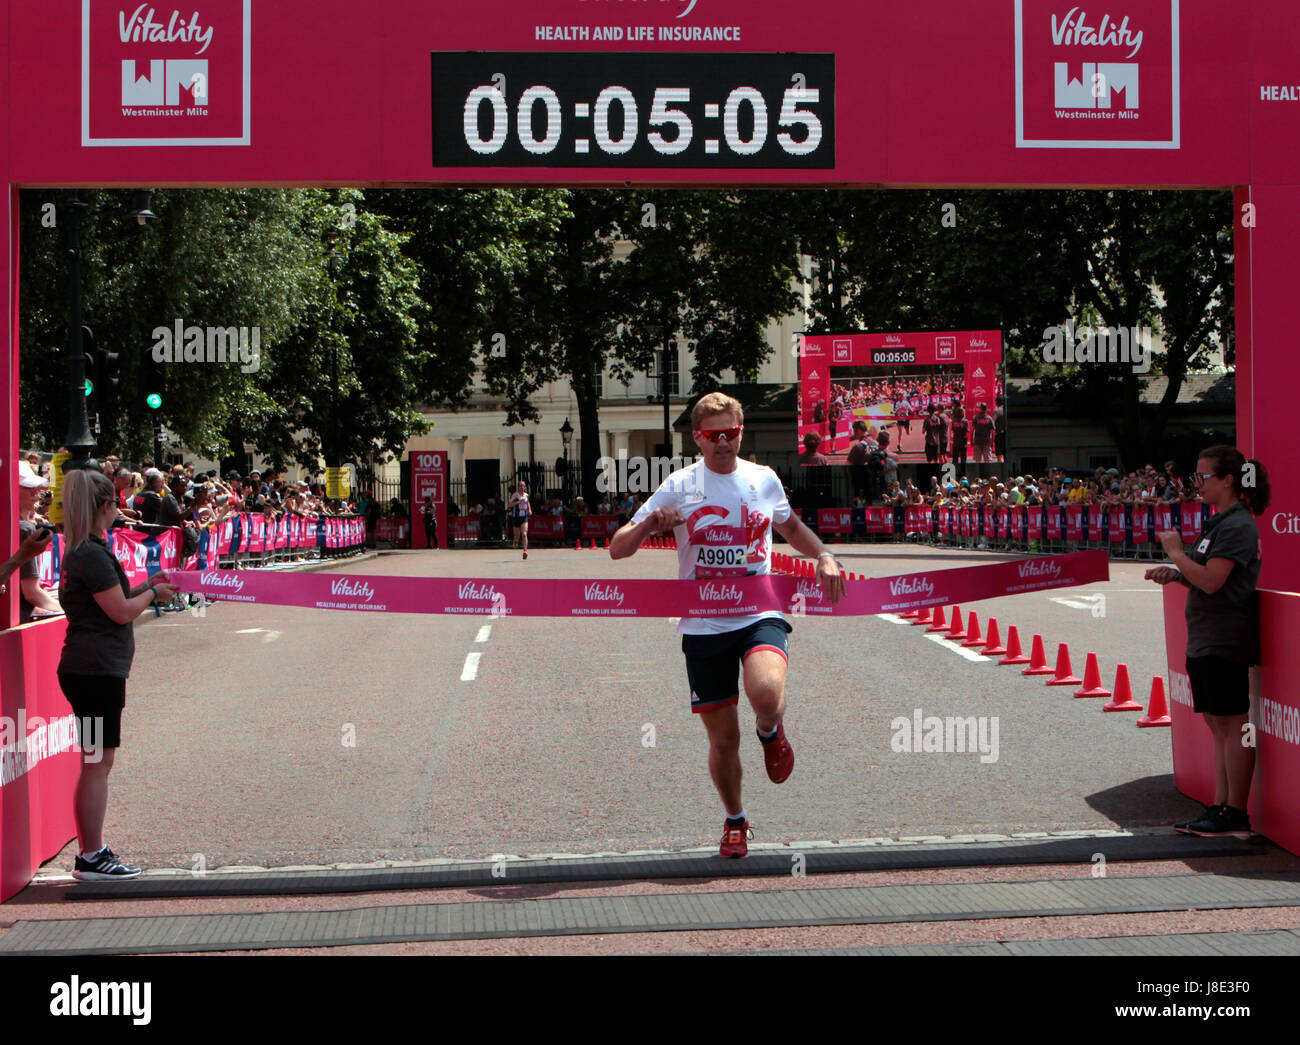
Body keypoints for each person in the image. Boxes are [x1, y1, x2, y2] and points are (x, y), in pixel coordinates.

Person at [610, 392, 845, 859]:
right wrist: (650, 524)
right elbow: (618, 548)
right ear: (697, 437)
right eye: (714, 436)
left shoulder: (763, 479)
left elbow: (792, 528)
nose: (724, 444)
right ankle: (735, 820)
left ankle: (771, 731)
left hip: (758, 611)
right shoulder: (678, 485)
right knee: (723, 740)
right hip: (702, 624)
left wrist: (825, 556)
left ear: (741, 432)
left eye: (731, 434)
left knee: (765, 695)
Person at [57, 469, 179, 879]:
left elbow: (116, 599)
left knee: (96, 761)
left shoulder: (86, 549)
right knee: (96, 763)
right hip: (94, 672)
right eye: (115, 505)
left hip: (92, 669)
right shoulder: (90, 553)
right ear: (106, 507)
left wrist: (149, 584)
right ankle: (91, 854)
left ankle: (91, 851)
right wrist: (153, 594)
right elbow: (121, 610)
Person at [1146, 445, 1270, 838]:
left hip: (1225, 637)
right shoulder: (1219, 523)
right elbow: (1205, 575)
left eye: (1203, 477)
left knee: (1232, 725)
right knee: (1219, 726)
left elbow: (1214, 581)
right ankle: (1219, 807)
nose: (1196, 484)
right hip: (1207, 637)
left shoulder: (1237, 525)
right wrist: (1177, 572)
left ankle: (1234, 811)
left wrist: (1176, 554)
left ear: (1228, 480)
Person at [18, 461, 63, 622]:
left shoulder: (22, 527)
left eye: (35, 487)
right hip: (20, 625)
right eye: (27, 487)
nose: (35, 492)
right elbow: (32, 593)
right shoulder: (24, 530)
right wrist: (66, 613)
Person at [508, 480, 531, 559]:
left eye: (523, 486)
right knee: (516, 536)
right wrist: (517, 502)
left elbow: (527, 502)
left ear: (525, 487)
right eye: (520, 486)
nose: (522, 487)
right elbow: (509, 504)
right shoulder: (515, 495)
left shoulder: (526, 495)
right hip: (516, 517)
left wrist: (529, 510)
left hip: (524, 517)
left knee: (524, 534)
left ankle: (525, 551)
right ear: (518, 487)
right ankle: (515, 543)